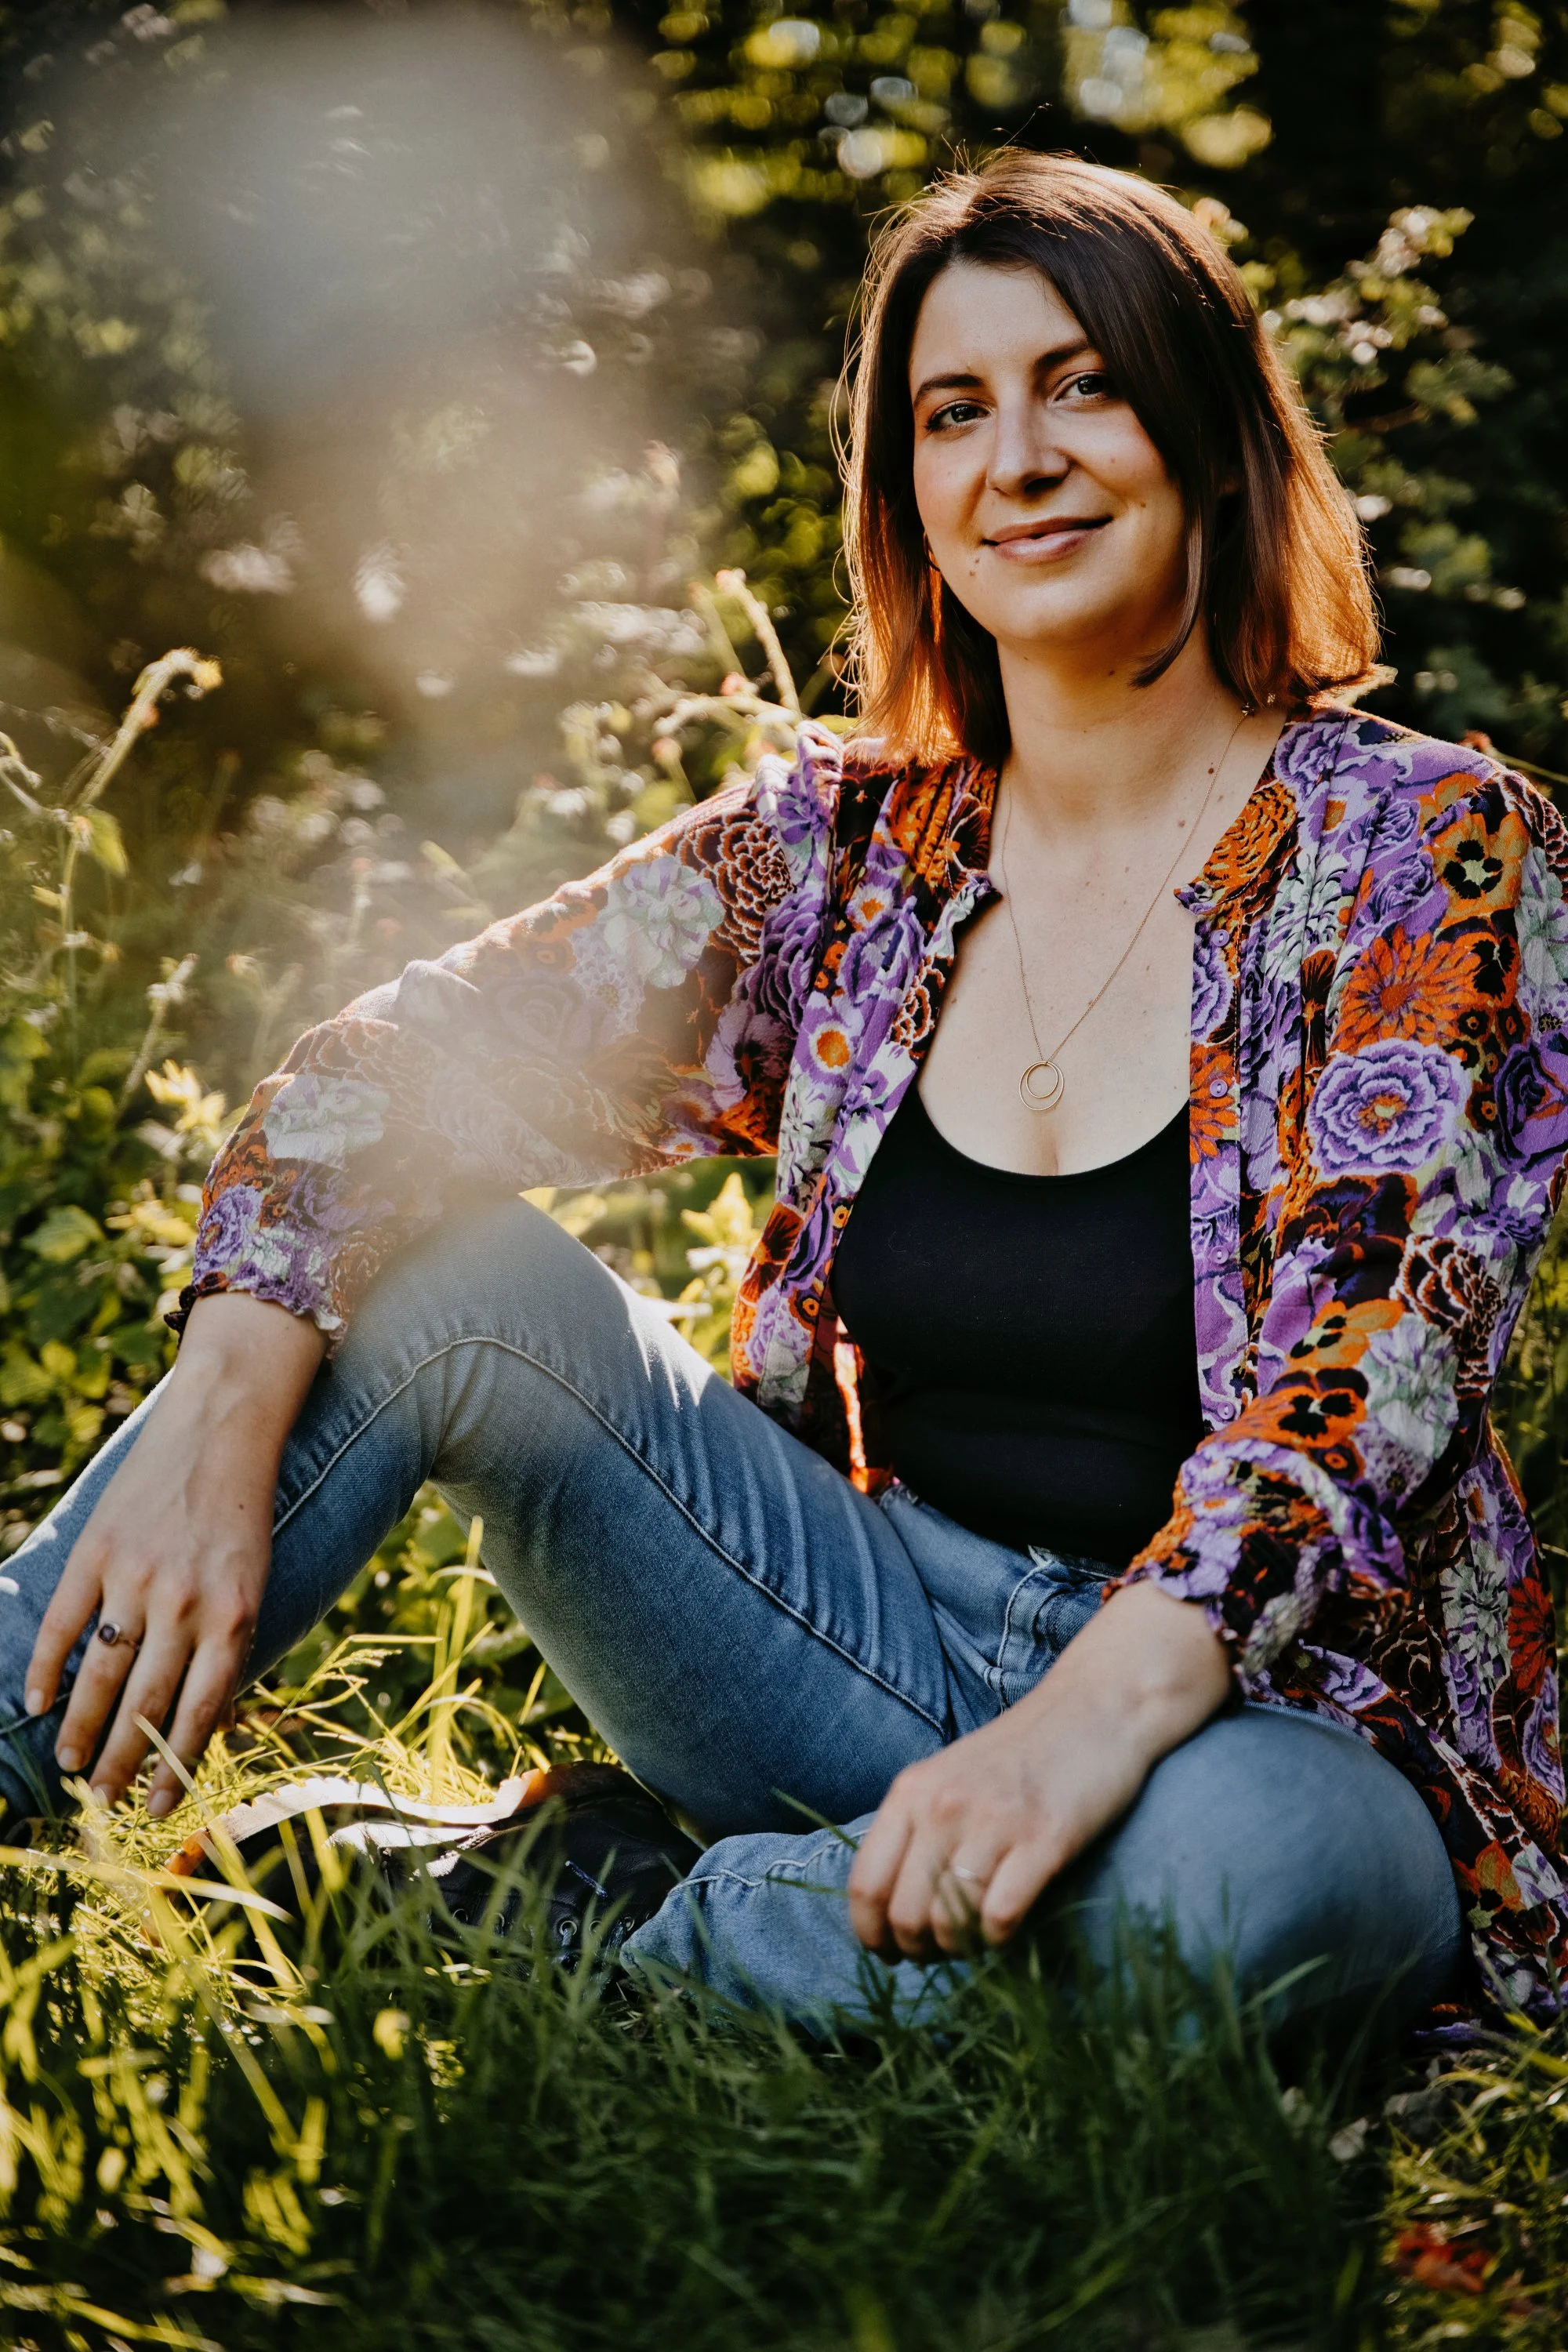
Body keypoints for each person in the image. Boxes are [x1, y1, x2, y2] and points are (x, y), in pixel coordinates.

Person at [5, 151, 1566, 2040]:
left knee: (1233, 1897)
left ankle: (581, 1913)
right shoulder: (840, 846)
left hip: (1261, 1722)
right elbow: (392, 1079)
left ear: (1212, 432)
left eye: (1085, 381)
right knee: (450, 1287)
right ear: (909, 496)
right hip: (864, 1643)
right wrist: (222, 1398)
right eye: (953, 411)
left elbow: (1360, 1400)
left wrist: (1074, 1742)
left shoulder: (1425, 849)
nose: (1023, 456)